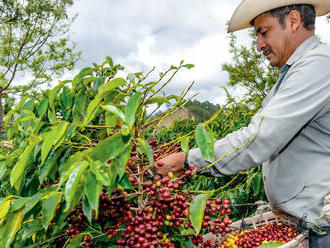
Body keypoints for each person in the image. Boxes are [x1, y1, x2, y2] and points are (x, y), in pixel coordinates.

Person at [156, 1, 330, 246]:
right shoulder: (294, 73)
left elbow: (259, 138)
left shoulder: (319, 65)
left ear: (292, 21)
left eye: (263, 32)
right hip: (299, 224)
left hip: (322, 232)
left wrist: (186, 161)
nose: (259, 45)